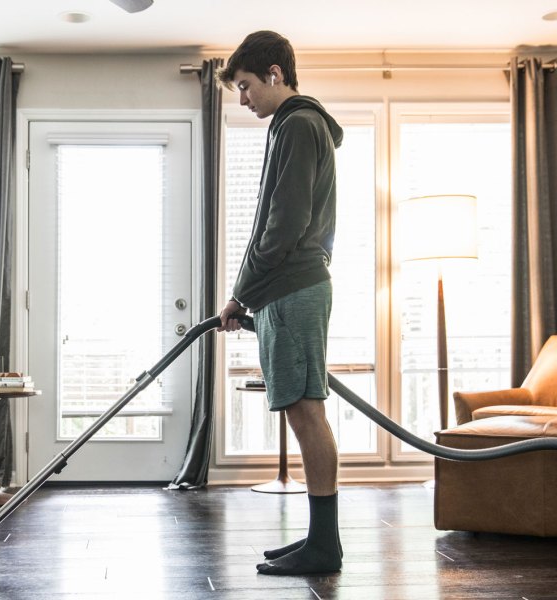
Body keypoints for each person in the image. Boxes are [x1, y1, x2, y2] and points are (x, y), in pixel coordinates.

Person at [216, 30, 344, 576]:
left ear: (273, 73)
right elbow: (281, 226)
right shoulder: (296, 127)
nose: (243, 99)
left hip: (292, 287)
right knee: (301, 409)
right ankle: (319, 539)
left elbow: (282, 226)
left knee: (306, 412)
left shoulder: (297, 123)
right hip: (287, 288)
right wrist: (250, 296)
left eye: (245, 86)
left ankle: (324, 546)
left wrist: (243, 292)